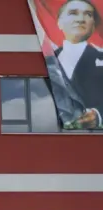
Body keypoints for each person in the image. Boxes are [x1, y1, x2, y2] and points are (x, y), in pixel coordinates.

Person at [53, 0, 103, 129]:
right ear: (59, 23)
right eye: (73, 13)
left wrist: (99, 115)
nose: (81, 19)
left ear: (93, 25)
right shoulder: (48, 59)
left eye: (88, 14)